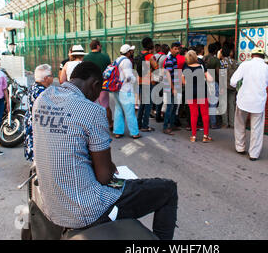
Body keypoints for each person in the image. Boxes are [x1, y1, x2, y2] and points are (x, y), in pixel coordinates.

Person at [32, 61, 177, 239]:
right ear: (94, 85)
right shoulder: (92, 111)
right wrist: (107, 166)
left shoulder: (42, 99)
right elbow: (104, 177)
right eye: (99, 90)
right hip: (84, 210)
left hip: (52, 206)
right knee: (167, 189)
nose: (97, 96)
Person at [230, 47, 268, 161]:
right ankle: (254, 154)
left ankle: (240, 147)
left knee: (240, 123)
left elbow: (233, 81)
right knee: (257, 128)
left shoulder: (244, 65)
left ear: (251, 55)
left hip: (243, 99)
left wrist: (238, 88)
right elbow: (267, 83)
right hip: (258, 101)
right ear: (263, 57)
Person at [24, 64, 53, 161]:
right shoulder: (42, 92)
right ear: (46, 78)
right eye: (51, 76)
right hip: (37, 125)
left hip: (31, 121)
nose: (52, 78)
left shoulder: (34, 87)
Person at [182, 50, 213, 143]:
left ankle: (193, 136)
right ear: (195, 57)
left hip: (190, 92)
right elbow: (210, 79)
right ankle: (205, 136)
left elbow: (182, 80)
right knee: (204, 114)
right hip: (202, 92)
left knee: (193, 114)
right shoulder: (201, 65)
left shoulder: (185, 65)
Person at [112, 44, 141, 139]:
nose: (132, 53)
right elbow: (128, 76)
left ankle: (118, 132)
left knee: (118, 110)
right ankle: (134, 132)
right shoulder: (126, 61)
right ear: (128, 52)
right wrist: (135, 79)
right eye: (131, 51)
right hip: (125, 89)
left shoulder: (117, 60)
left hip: (116, 89)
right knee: (130, 112)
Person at [83, 39, 113, 130]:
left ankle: (91, 125)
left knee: (90, 105)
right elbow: (109, 69)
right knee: (105, 105)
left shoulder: (86, 58)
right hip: (102, 84)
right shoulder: (105, 57)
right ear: (98, 46)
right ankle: (110, 124)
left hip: (90, 85)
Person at [135, 37, 158, 132]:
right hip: (147, 82)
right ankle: (145, 125)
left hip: (140, 81)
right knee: (148, 104)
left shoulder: (140, 54)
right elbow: (156, 67)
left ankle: (139, 123)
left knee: (143, 104)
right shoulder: (149, 56)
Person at [162, 42, 181, 135]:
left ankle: (172, 125)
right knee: (170, 107)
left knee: (174, 106)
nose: (177, 51)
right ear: (171, 49)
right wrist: (173, 88)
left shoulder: (174, 59)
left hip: (174, 86)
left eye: (178, 49)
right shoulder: (170, 60)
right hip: (170, 87)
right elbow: (168, 75)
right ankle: (165, 127)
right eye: (175, 49)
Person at [220, 43, 238, 128]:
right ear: (230, 53)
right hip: (233, 86)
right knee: (232, 104)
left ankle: (225, 123)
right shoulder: (235, 62)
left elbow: (222, 75)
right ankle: (232, 123)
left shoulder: (222, 62)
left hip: (224, 85)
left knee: (224, 104)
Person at [204, 42, 221, 129]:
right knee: (213, 104)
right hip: (213, 82)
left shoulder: (204, 58)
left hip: (204, 82)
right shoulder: (216, 60)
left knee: (205, 103)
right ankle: (213, 123)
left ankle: (205, 122)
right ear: (215, 51)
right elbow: (218, 72)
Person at [153, 44, 169, 122]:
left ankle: (157, 115)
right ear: (165, 50)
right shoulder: (166, 58)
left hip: (155, 78)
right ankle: (159, 116)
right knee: (162, 98)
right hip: (162, 79)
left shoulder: (155, 56)